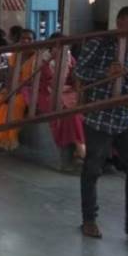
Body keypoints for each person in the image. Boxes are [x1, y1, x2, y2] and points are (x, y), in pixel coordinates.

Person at [75, 5, 128, 243]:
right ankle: (89, 220)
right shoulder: (99, 43)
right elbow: (80, 71)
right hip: (98, 116)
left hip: (123, 117)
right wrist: (105, 73)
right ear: (120, 22)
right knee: (93, 170)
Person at [0, 29, 50, 152]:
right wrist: (9, 91)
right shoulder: (15, 55)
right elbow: (10, 76)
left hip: (30, 89)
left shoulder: (38, 56)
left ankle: (9, 140)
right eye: (23, 38)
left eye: (29, 39)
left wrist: (19, 90)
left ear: (34, 41)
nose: (26, 41)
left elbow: (37, 79)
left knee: (16, 104)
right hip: (15, 87)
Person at [40, 33, 86, 162]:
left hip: (68, 91)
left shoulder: (69, 57)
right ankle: (80, 148)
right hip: (48, 92)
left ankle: (81, 148)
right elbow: (46, 82)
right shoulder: (43, 59)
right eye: (59, 45)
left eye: (65, 45)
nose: (62, 48)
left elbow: (75, 76)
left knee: (82, 109)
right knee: (69, 112)